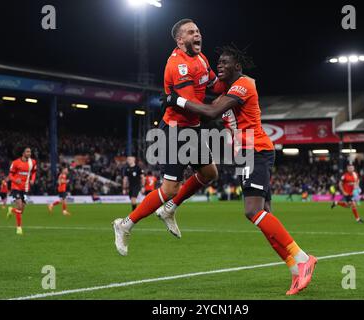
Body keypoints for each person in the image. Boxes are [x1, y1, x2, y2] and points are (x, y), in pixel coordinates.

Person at [161, 44, 317, 295]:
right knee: (265, 214)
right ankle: (295, 269)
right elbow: (204, 97)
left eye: (224, 63)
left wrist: (176, 99)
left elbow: (211, 111)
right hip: (248, 154)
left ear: (237, 67)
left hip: (256, 151)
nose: (219, 66)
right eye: (218, 62)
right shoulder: (229, 89)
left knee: (252, 211)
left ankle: (302, 258)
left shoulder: (244, 84)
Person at [113, 18, 225, 248]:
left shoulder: (201, 59)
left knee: (209, 173)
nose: (197, 35)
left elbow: (215, 85)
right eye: (191, 32)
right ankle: (125, 224)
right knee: (169, 188)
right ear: (180, 39)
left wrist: (236, 84)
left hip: (191, 129)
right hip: (175, 131)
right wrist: (217, 110)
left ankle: (169, 210)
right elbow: (193, 104)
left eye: (198, 31)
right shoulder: (178, 65)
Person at [6, 146, 37, 235]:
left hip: (26, 188)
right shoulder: (15, 163)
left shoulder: (33, 162)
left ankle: (11, 210)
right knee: (19, 206)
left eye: (30, 152)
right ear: (23, 153)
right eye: (27, 152)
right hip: (16, 187)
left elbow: (34, 172)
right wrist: (16, 180)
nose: (29, 153)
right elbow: (10, 175)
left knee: (21, 211)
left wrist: (33, 179)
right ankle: (19, 228)